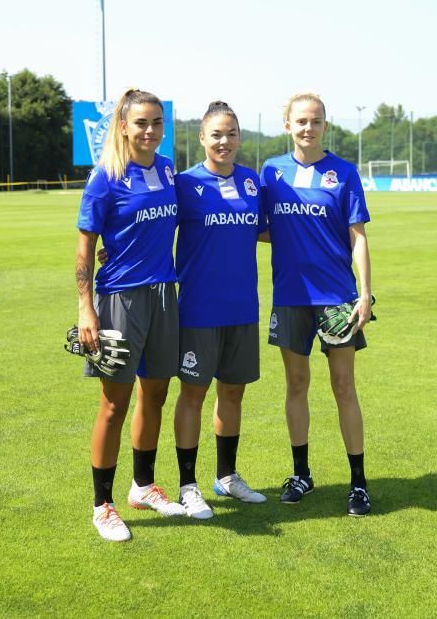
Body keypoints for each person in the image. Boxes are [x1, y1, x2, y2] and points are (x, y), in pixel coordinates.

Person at [76, 88, 184, 542]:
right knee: (114, 404)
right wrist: (86, 309)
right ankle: (103, 505)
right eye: (141, 123)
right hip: (120, 299)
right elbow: (85, 248)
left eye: (157, 122)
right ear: (123, 126)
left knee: (155, 397)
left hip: (164, 298)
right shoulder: (106, 175)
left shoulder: (166, 169)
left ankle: (143, 487)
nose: (150, 131)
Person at [260, 91, 373, 516]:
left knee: (344, 386)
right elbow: (253, 226)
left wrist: (364, 292)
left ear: (326, 126)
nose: (308, 128)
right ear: (287, 125)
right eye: (301, 121)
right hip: (291, 295)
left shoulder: (343, 173)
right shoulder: (271, 172)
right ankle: (301, 474)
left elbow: (357, 236)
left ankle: (358, 483)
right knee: (296, 385)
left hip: (338, 299)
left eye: (316, 121)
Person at [172, 101, 268, 519]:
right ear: (202, 138)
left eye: (231, 133)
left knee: (233, 393)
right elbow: (152, 224)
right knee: (193, 395)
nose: (224, 141)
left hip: (242, 308)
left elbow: (269, 230)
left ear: (239, 137)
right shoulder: (184, 184)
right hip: (198, 310)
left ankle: (226, 477)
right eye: (216, 134)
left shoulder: (252, 182)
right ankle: (188, 486)